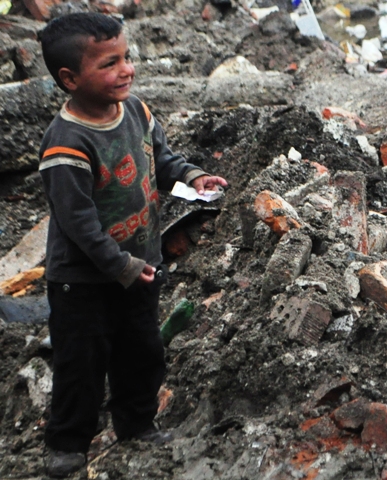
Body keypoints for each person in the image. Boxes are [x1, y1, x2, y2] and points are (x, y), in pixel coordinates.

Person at [38, 12, 228, 478]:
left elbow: (161, 159)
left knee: (141, 351)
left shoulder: (137, 112)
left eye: (126, 58)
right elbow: (79, 223)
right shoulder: (66, 145)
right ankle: (67, 444)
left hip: (140, 266)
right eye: (109, 64)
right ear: (70, 78)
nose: (126, 70)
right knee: (80, 364)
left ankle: (136, 422)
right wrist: (119, 265)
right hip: (82, 282)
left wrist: (191, 176)